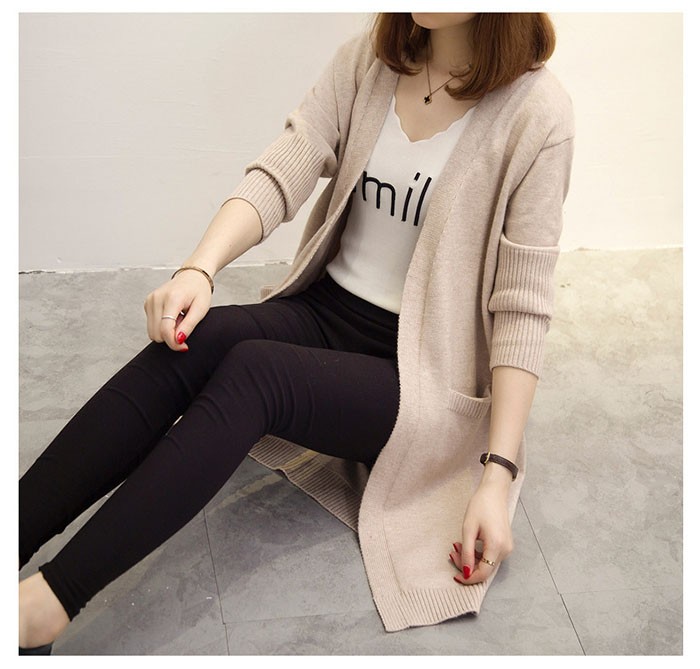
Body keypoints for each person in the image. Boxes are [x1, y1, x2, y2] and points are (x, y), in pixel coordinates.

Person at [19, 12, 574, 652]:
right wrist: (199, 268)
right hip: (326, 312)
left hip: (420, 375)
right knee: (198, 339)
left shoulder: (539, 113)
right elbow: (285, 166)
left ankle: (47, 607)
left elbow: (522, 305)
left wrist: (496, 474)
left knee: (258, 375)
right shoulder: (373, 60)